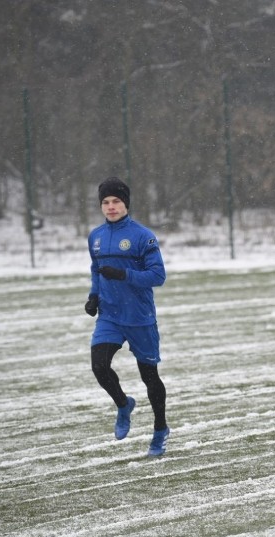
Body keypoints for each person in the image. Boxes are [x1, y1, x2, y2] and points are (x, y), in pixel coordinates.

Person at [85, 177, 171, 456]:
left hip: (139, 316)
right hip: (110, 316)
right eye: (106, 202)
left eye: (116, 201)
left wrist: (124, 274)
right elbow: (96, 271)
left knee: (150, 377)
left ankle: (160, 429)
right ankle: (123, 404)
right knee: (99, 366)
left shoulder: (142, 236)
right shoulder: (95, 236)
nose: (111, 207)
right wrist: (94, 296)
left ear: (126, 204)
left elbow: (158, 276)